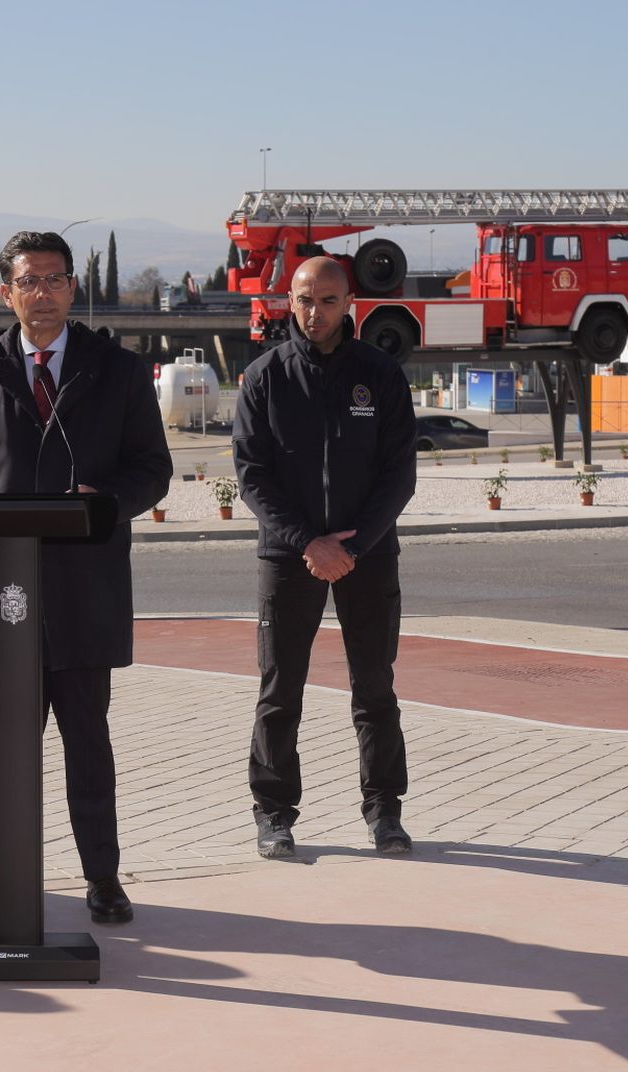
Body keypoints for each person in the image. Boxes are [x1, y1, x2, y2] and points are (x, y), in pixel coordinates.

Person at [0, 230, 172, 926]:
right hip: (7, 591)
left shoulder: (117, 371)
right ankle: (9, 881)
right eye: (28, 281)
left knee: (87, 744)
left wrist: (105, 503)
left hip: (85, 588)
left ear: (73, 288)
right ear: (6, 293)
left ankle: (103, 877)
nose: (42, 293)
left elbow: (150, 469)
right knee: (11, 750)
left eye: (55, 279)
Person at [232, 255, 418, 860]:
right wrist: (307, 542)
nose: (315, 312)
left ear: (349, 305)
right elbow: (253, 476)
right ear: (290, 301)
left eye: (328, 301)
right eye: (305, 300)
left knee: (375, 689)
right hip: (288, 557)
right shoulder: (264, 377)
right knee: (280, 690)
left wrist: (353, 546)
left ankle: (384, 811)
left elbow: (399, 475)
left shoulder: (381, 375)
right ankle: (273, 813)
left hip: (367, 555)